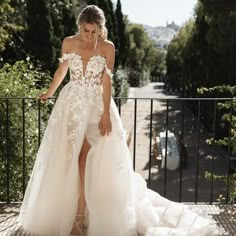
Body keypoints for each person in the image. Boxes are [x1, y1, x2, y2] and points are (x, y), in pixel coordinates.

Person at [19, 4, 219, 236]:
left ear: (101, 29)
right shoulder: (68, 42)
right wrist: (50, 92)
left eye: (94, 31)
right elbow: (62, 71)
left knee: (85, 158)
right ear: (80, 27)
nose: (90, 36)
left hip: (96, 106)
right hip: (71, 105)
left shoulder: (107, 47)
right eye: (86, 30)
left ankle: (79, 217)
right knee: (70, 159)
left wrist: (105, 113)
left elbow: (106, 81)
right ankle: (70, 210)